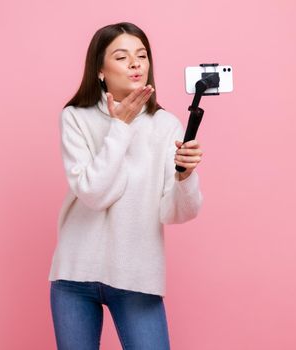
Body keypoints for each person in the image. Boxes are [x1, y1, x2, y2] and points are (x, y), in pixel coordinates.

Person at [48, 22, 204, 350]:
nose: (136, 64)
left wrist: (184, 177)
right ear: (100, 71)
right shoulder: (76, 117)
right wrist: (120, 127)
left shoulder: (167, 125)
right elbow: (94, 193)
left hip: (137, 276)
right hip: (75, 276)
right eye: (122, 57)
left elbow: (175, 213)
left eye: (142, 55)